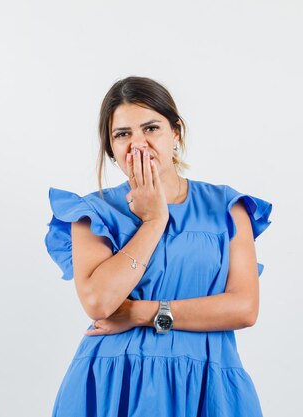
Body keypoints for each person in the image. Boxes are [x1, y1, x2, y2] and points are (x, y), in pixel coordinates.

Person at [44, 76, 273, 416]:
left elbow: (244, 308)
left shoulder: (226, 207)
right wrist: (154, 222)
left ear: (176, 133)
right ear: (111, 148)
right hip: (116, 383)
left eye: (151, 128)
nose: (138, 144)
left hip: (208, 385)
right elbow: (99, 302)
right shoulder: (91, 212)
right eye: (123, 134)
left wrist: (139, 314)